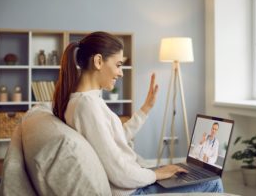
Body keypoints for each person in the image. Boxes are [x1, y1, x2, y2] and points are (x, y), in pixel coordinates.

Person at [52, 31, 223, 195]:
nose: (120, 73)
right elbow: (118, 171)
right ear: (98, 61)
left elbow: (115, 138)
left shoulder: (84, 100)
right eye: (118, 65)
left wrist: (146, 108)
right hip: (131, 191)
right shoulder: (87, 105)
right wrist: (156, 174)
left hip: (132, 184)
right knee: (213, 182)